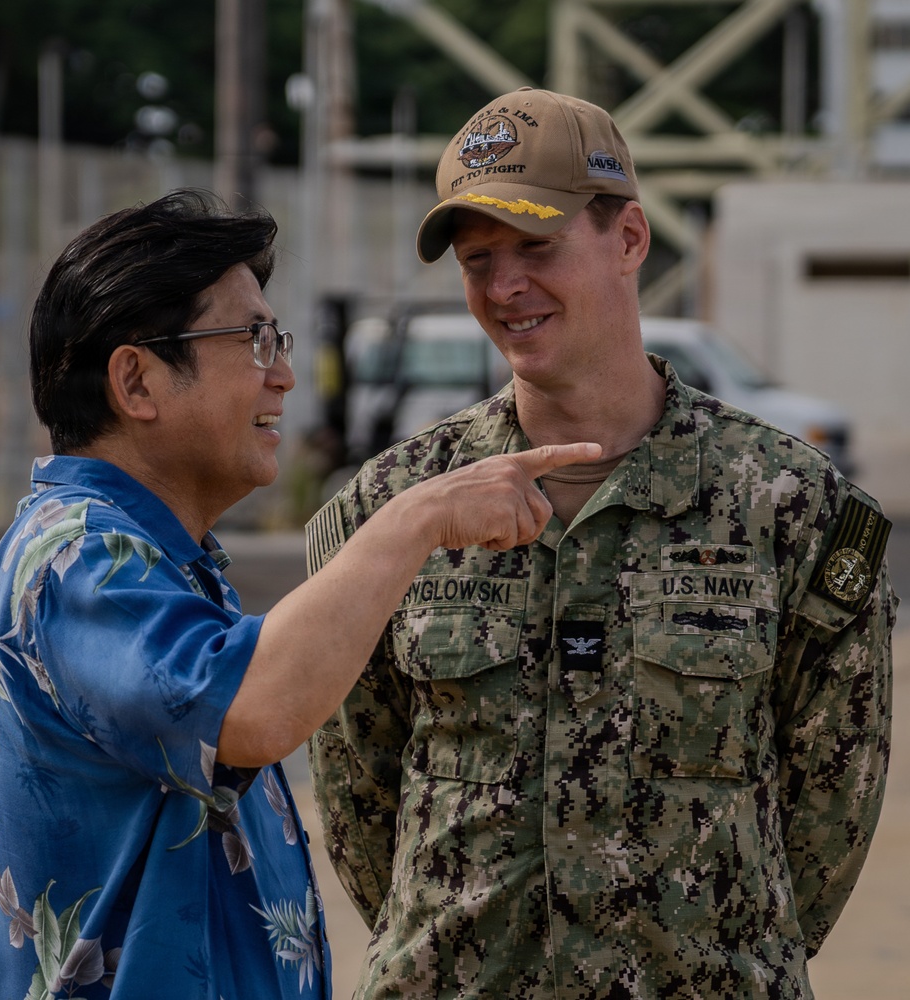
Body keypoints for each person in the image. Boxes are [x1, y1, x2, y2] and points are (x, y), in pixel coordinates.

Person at [306, 89, 900, 998]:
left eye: (536, 248)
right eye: (478, 261)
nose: (505, 288)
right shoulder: (391, 507)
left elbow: (832, 798)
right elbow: (357, 794)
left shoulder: (793, 508)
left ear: (628, 239)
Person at [0, 188, 599, 1000]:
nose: (285, 375)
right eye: (254, 340)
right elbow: (255, 708)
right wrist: (419, 519)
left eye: (278, 338)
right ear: (136, 380)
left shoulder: (158, 557)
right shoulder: (78, 555)